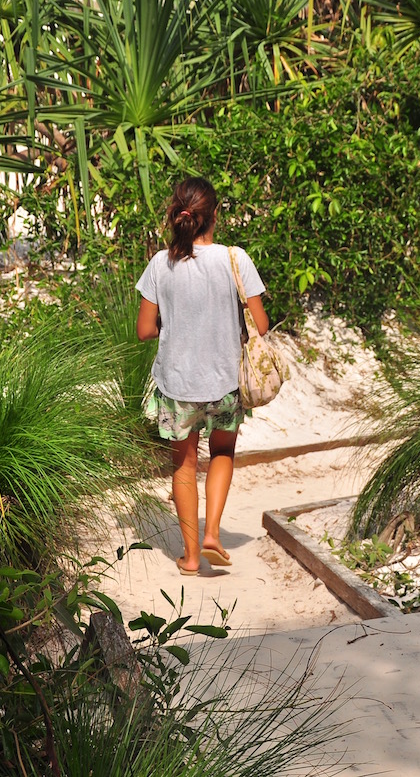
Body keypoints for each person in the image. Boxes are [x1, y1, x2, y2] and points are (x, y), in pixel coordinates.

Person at [136, 177, 270, 577]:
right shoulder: (235, 258)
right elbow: (261, 325)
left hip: (177, 384)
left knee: (184, 465)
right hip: (225, 380)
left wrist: (176, 325)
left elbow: (144, 330)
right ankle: (212, 533)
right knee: (223, 452)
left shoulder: (160, 264)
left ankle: (191, 557)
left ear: (177, 215)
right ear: (215, 214)